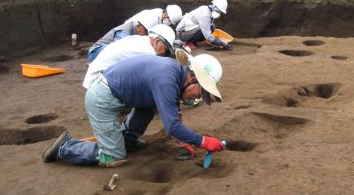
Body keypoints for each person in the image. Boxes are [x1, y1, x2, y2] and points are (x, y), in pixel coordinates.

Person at [42, 52, 225, 167]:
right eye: (200, 92)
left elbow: (172, 112)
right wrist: (203, 141)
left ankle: (127, 140)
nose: (197, 97)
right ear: (192, 79)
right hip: (101, 99)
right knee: (114, 158)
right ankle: (65, 148)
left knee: (150, 105)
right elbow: (172, 126)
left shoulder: (174, 74)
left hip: (115, 93)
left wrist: (183, 142)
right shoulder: (166, 80)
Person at [83, 24, 176, 89]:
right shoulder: (148, 52)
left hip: (96, 78)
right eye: (166, 48)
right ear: (157, 41)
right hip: (99, 83)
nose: (164, 52)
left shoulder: (141, 40)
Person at [87, 10, 159, 62]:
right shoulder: (124, 32)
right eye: (145, 31)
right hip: (96, 52)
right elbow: (120, 50)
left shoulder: (137, 32)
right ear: (138, 25)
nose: (146, 34)